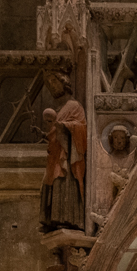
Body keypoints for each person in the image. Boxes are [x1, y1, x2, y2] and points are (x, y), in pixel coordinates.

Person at [39, 70, 87, 231]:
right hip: (55, 156)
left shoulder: (74, 106)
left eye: (54, 81)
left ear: (64, 82)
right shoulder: (60, 108)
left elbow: (81, 127)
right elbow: (54, 134)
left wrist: (65, 126)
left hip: (67, 157)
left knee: (62, 180)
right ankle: (51, 219)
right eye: (49, 84)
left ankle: (66, 219)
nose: (52, 86)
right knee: (51, 180)